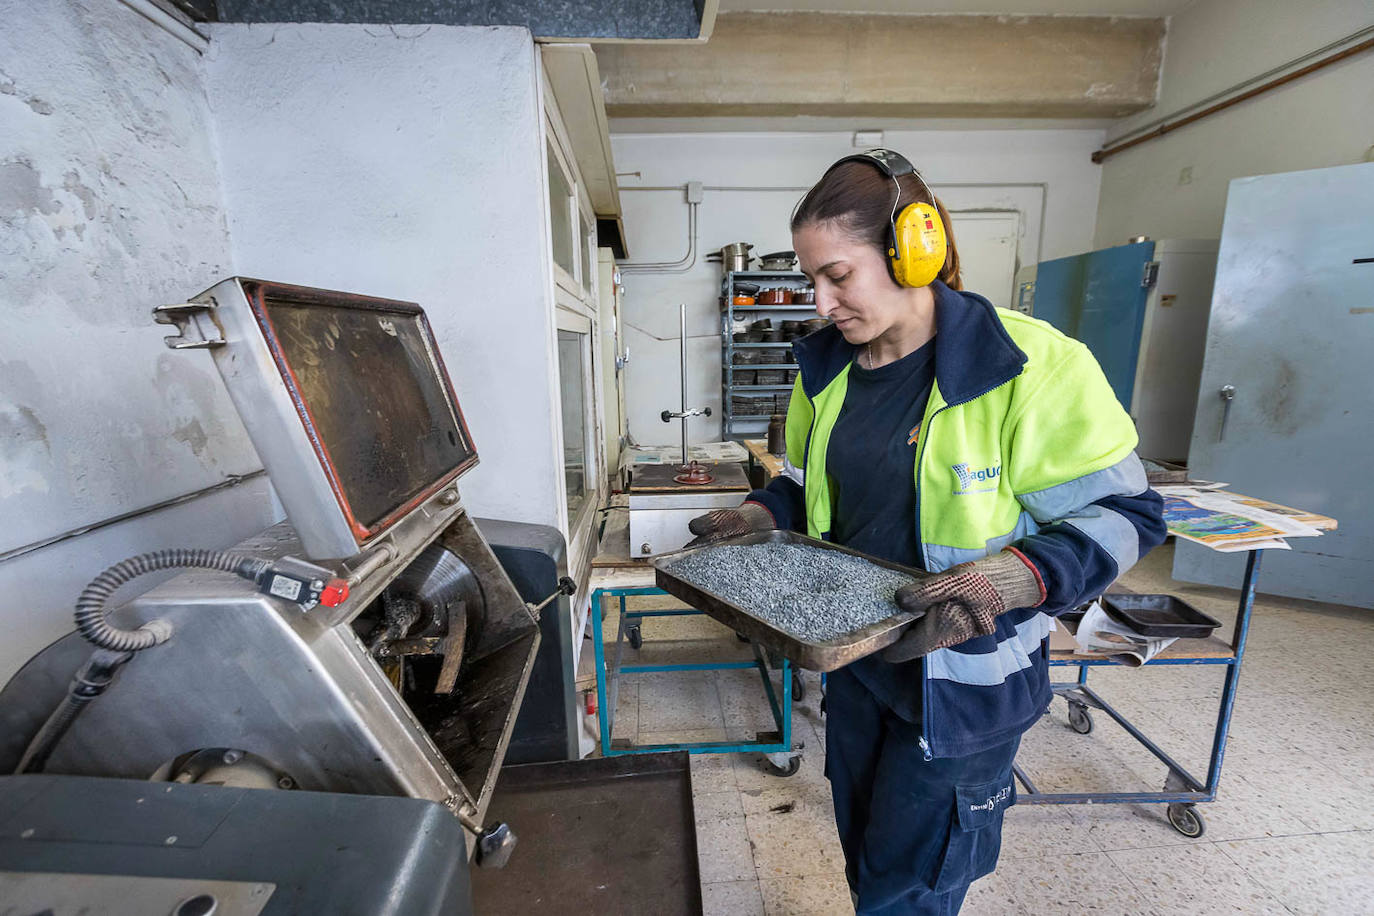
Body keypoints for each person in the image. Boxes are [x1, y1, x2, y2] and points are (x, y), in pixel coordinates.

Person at [688, 149, 1166, 915]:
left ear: (918, 248)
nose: (821, 302)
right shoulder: (826, 373)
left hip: (966, 684)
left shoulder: (1029, 366)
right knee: (868, 863)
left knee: (912, 889)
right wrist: (754, 515)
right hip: (859, 670)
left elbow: (1125, 516)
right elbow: (810, 491)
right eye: (812, 280)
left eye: (837, 276)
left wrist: (1008, 581)